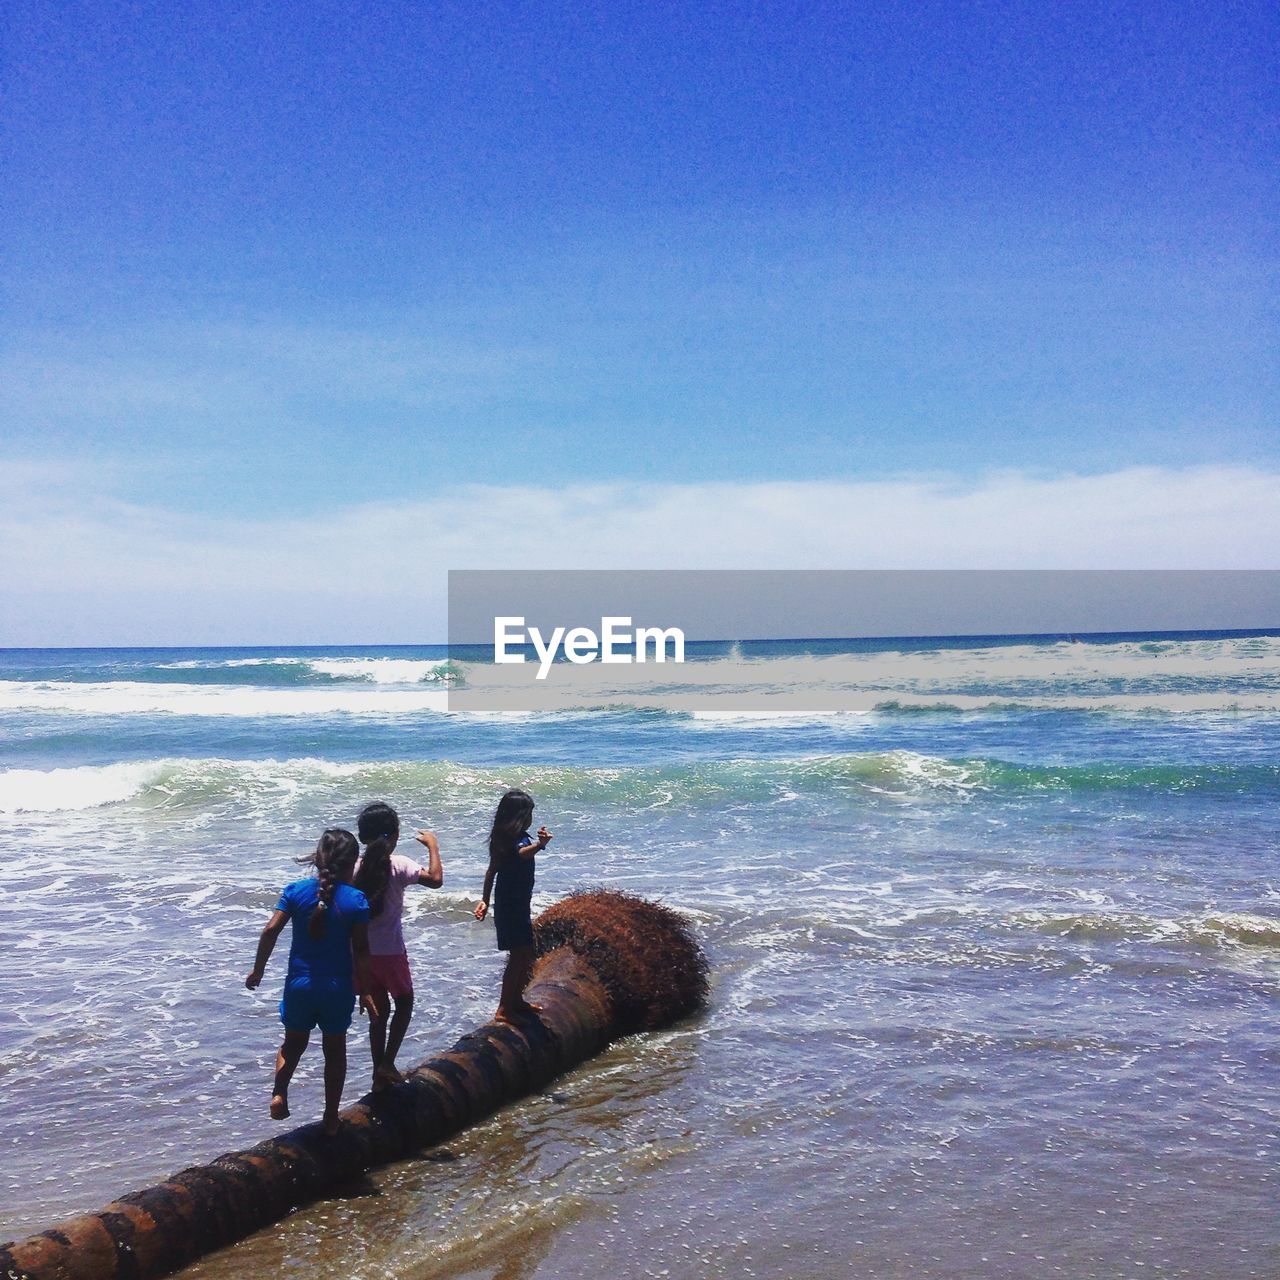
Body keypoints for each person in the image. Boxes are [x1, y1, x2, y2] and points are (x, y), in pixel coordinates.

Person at [245, 828, 376, 1136]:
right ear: (353, 862)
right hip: (336, 989)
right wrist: (366, 991)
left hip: (299, 986)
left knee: (293, 1044)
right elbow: (362, 951)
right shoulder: (355, 900)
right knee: (335, 1052)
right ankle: (331, 1118)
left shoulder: (295, 891)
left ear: (318, 859)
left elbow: (270, 931)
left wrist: (258, 970)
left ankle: (279, 1093)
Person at [352, 800, 444, 1090]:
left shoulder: (354, 869)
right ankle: (388, 1062)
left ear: (363, 838)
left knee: (378, 1015)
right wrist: (432, 845)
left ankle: (377, 1074)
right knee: (404, 1003)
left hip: (362, 956)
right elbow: (436, 880)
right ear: (393, 836)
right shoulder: (399, 865)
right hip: (391, 952)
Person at [474, 788, 552, 1022]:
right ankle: (504, 1008)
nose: (530, 819)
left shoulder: (506, 839)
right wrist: (540, 844)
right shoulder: (514, 842)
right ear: (518, 817)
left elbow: (490, 873)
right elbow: (523, 854)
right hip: (512, 906)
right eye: (528, 814)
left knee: (524, 952)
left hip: (515, 904)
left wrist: (485, 899)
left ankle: (515, 1000)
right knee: (519, 954)